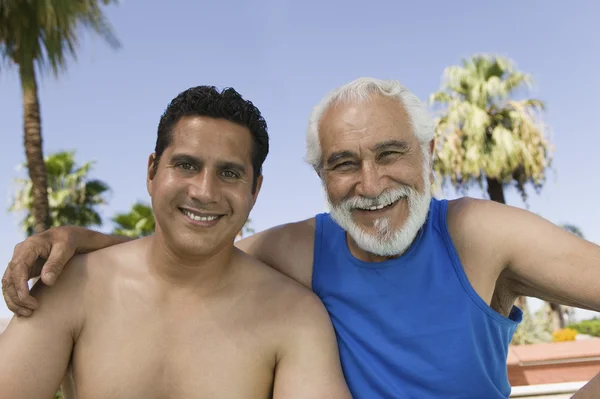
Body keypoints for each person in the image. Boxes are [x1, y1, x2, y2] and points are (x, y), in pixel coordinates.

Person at [4, 78, 600, 398]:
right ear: (321, 177)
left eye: (390, 154)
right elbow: (190, 252)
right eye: (344, 162)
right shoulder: (294, 253)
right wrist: (76, 237)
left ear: (430, 154)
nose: (370, 184)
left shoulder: (478, 231)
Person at [0, 86, 351, 399]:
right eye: (186, 165)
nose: (204, 191)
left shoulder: (293, 317)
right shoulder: (76, 285)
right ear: (152, 172)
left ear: (254, 190)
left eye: (229, 173)